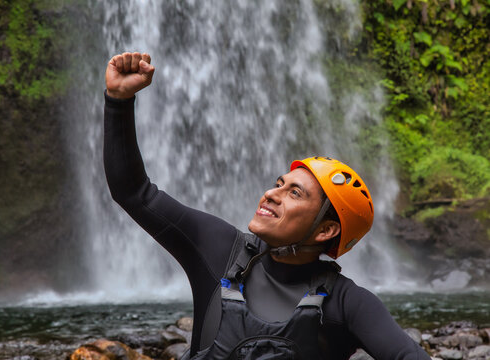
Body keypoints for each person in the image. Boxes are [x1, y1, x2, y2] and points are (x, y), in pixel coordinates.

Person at [103, 52, 430, 360]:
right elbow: (135, 194)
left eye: (295, 193)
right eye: (278, 184)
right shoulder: (219, 250)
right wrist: (119, 101)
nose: (271, 194)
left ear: (326, 229)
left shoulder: (347, 303)